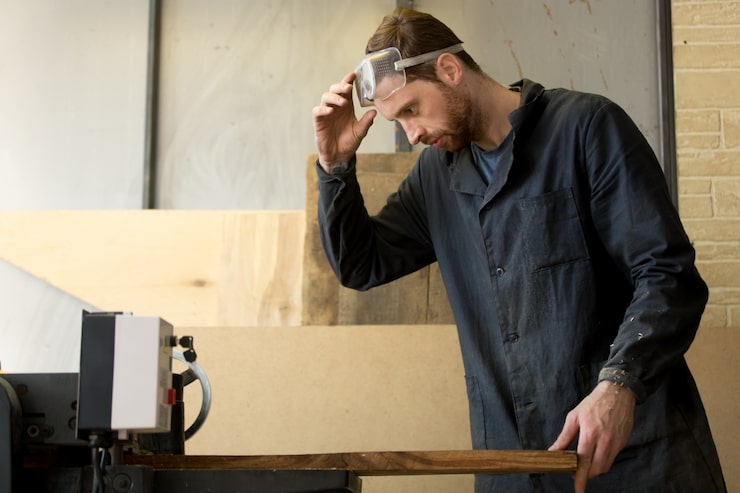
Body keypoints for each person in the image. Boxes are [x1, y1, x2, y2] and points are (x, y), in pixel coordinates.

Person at [312, 7, 726, 493]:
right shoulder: (435, 178)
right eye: (397, 121)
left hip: (633, 459)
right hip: (513, 468)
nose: (413, 134)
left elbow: (667, 274)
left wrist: (619, 385)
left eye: (411, 110)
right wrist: (334, 166)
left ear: (449, 69)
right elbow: (361, 265)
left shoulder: (586, 129)